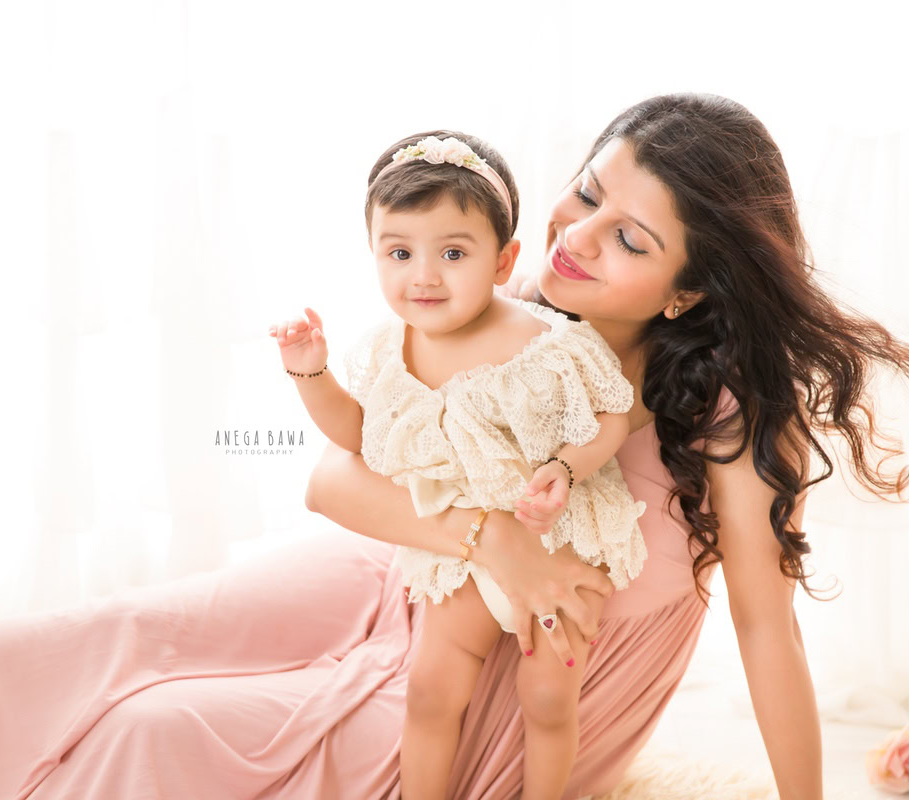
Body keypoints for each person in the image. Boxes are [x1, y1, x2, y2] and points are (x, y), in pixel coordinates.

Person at [0, 92, 909, 800]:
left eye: (626, 237)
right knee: (126, 626)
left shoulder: (723, 412)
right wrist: (497, 542)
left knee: (163, 724)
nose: (574, 240)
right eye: (584, 195)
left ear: (690, 286)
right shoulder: (510, 299)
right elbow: (336, 473)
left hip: (509, 680)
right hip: (400, 572)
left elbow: (767, 630)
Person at [268, 130, 649, 800]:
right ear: (374, 256)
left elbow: (610, 415)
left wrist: (565, 467)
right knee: (431, 692)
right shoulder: (389, 352)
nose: (424, 274)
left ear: (503, 262)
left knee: (549, 699)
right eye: (400, 252)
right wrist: (311, 374)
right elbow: (359, 436)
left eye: (452, 253)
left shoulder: (545, 341)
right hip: (462, 554)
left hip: (554, 540)